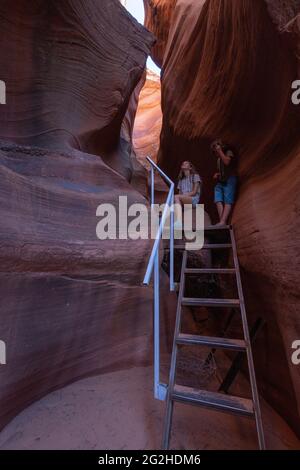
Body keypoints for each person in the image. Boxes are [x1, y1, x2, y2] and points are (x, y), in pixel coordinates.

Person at [211, 140, 238, 226]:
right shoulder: (218, 160)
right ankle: (222, 221)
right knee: (217, 198)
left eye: (216, 147)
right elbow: (222, 170)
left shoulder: (228, 152)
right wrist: (217, 174)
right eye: (215, 150)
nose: (216, 151)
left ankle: (223, 221)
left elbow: (227, 162)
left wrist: (220, 151)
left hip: (230, 179)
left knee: (227, 200)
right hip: (222, 180)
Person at [174, 161, 202, 229]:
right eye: (183, 163)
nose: (183, 163)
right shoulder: (181, 180)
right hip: (184, 199)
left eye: (186, 163)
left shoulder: (195, 176)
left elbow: (194, 192)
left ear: (190, 167)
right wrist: (181, 196)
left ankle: (179, 221)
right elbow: (180, 193)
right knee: (173, 199)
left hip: (193, 199)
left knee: (175, 197)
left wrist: (184, 195)